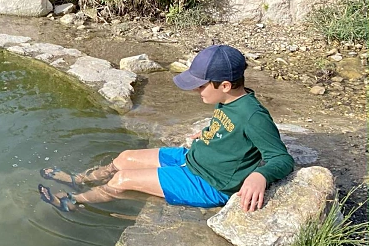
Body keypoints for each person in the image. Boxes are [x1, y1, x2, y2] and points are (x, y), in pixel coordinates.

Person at [38, 45, 294, 213]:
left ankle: (75, 201)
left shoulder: (254, 116)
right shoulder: (227, 101)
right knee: (125, 158)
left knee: (123, 179)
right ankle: (80, 179)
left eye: (201, 86)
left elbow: (281, 159)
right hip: (192, 159)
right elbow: (231, 131)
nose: (196, 91)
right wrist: (209, 134)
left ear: (225, 85)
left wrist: (260, 176)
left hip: (209, 183)